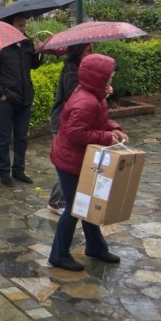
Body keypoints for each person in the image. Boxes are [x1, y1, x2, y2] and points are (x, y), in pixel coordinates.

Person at [48, 54, 128, 271]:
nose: (112, 77)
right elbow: (76, 133)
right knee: (76, 207)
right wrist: (106, 137)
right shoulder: (86, 101)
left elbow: (98, 120)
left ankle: (96, 247)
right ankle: (58, 255)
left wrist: (114, 128)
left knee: (89, 204)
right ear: (98, 77)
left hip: (80, 159)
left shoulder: (95, 95)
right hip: (70, 161)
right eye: (109, 75)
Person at [0, 14, 42, 185]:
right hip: (6, 100)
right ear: (10, 26)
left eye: (24, 25)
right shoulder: (0, 46)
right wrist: (0, 93)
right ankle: (4, 173)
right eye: (19, 25)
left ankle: (19, 170)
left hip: (24, 97)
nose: (23, 29)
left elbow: (34, 65)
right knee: (4, 138)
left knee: (22, 137)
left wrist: (39, 52)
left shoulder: (27, 43)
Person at [46, 43, 93, 214]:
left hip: (70, 123)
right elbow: (76, 97)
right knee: (66, 164)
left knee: (71, 163)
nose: (90, 54)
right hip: (63, 123)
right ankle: (57, 202)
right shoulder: (71, 71)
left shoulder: (79, 69)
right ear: (78, 51)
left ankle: (65, 200)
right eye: (87, 51)